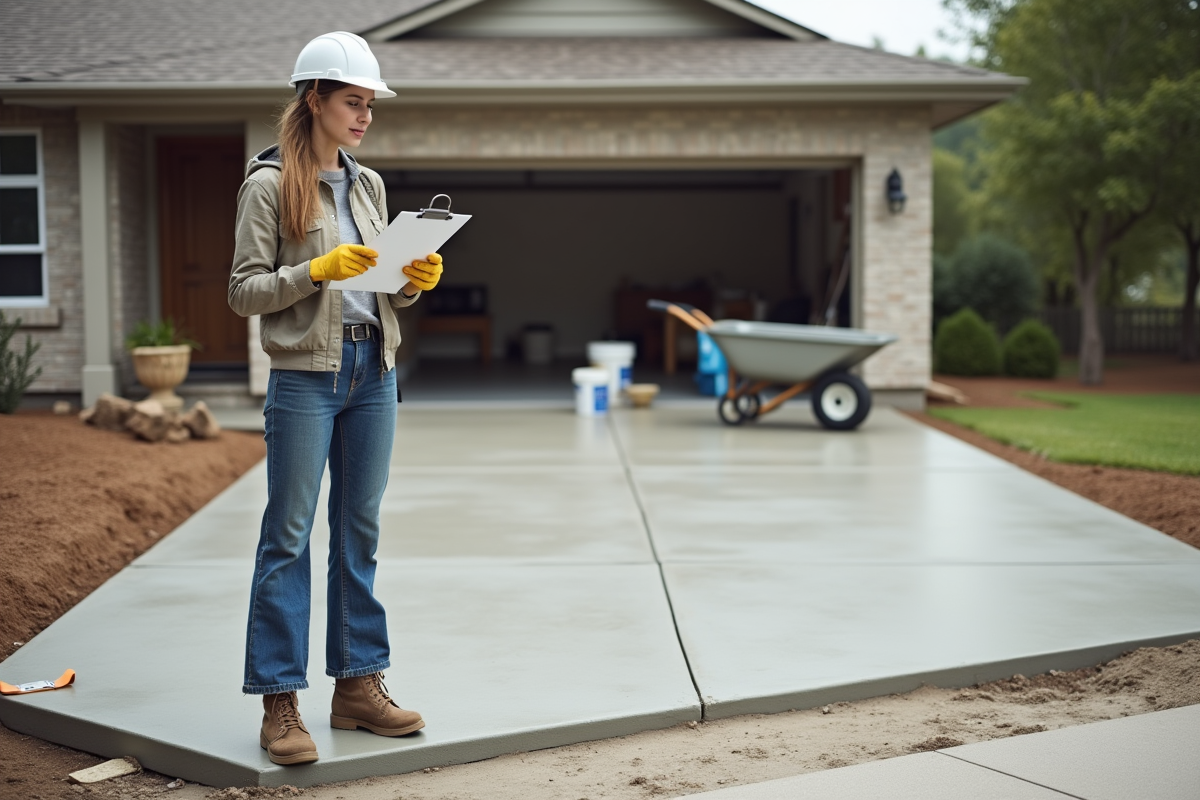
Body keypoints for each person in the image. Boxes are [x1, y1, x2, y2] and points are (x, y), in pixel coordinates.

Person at [228, 31, 442, 766]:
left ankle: (357, 686)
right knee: (287, 537)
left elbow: (379, 287)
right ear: (314, 98)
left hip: (372, 372)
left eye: (371, 104)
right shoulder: (267, 185)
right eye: (354, 102)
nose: (365, 115)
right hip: (305, 380)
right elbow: (243, 291)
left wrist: (412, 278)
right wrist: (314, 269)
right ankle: (280, 701)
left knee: (360, 532)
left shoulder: (369, 185)